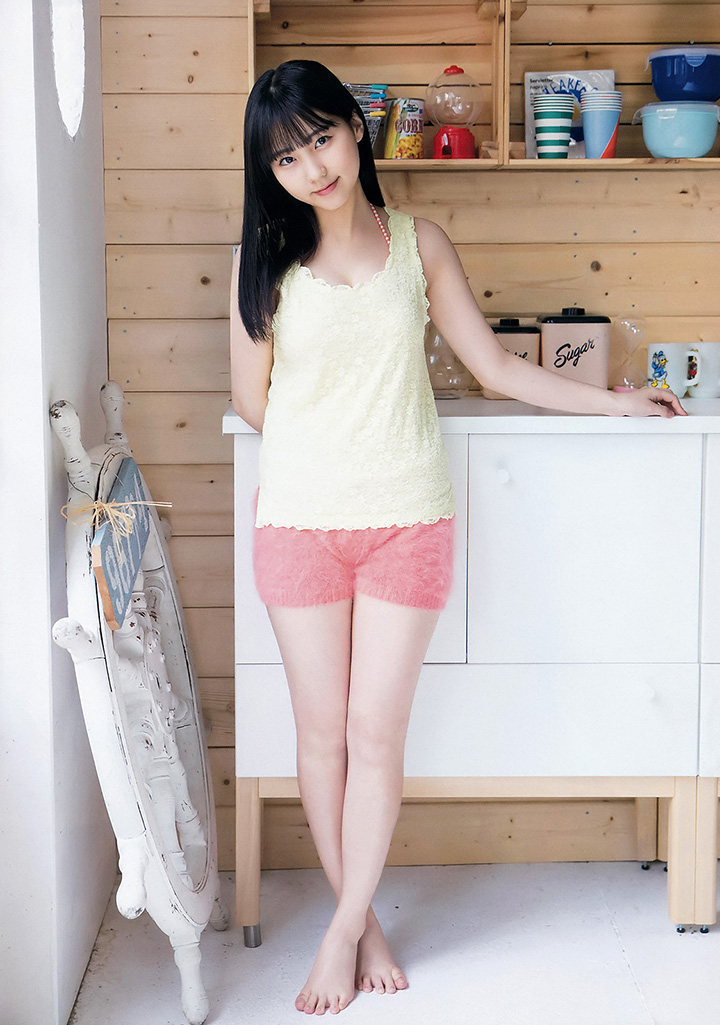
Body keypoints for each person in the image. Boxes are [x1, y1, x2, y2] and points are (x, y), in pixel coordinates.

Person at [230, 59, 686, 1017]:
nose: (313, 168)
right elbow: (253, 402)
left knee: (373, 732)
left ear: (356, 130)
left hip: (408, 520)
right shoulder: (263, 266)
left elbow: (495, 369)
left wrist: (617, 403)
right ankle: (364, 920)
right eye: (287, 158)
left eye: (321, 139)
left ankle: (339, 930)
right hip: (301, 524)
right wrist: (334, 451)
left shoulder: (417, 245)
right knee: (321, 736)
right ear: (269, 174)